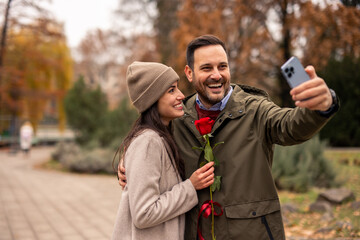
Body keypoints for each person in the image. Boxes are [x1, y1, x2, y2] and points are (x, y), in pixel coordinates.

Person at [118, 35, 339, 239]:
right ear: (189, 73)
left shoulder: (256, 110)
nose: (217, 75)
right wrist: (127, 163)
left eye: (222, 66)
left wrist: (321, 107)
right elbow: (148, 141)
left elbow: (290, 126)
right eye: (206, 68)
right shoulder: (176, 117)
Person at [111, 61, 215, 240]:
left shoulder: (161, 137)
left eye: (177, 88)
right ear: (152, 98)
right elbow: (144, 213)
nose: (181, 95)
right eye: (171, 90)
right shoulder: (149, 142)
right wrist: (191, 186)